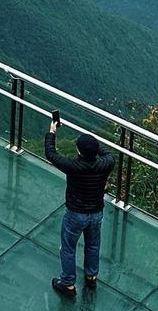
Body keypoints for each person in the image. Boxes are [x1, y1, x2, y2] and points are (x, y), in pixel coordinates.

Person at [44, 120, 115, 297]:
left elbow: (51, 154)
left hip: (76, 213)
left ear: (79, 151)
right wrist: (94, 145)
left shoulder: (73, 167)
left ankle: (68, 284)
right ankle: (91, 276)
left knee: (68, 247)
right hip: (96, 212)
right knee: (93, 245)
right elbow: (108, 154)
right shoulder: (106, 164)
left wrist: (52, 132)